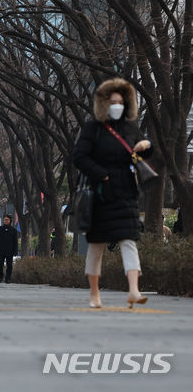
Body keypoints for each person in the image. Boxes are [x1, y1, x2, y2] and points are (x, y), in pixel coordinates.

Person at [72, 78, 153, 309]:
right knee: (96, 245)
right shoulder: (92, 129)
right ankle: (94, 293)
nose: (117, 105)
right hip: (100, 195)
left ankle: (134, 291)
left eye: (121, 101)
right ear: (104, 104)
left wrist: (146, 147)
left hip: (126, 194)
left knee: (130, 241)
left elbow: (139, 155)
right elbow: (79, 156)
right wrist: (101, 174)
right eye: (113, 101)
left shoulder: (130, 128)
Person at [0, 215, 18, 284]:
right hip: (1, 250)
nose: (6, 221)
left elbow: (15, 241)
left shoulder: (13, 230)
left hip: (10, 250)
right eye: (4, 219)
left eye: (7, 220)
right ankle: (1, 276)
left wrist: (15, 250)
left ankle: (8, 278)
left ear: (10, 221)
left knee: (9, 265)